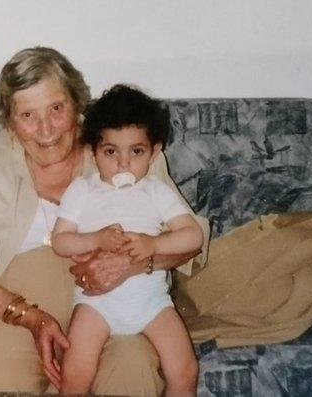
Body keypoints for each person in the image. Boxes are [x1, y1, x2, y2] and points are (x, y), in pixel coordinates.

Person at [0, 47, 210, 395]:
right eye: (28, 115)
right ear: (9, 122)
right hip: (14, 311)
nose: (46, 129)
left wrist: (133, 265)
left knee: (133, 368)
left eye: (56, 108)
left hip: (119, 300)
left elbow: (190, 239)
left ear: (77, 103)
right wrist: (31, 318)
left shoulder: (121, 147)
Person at [51, 85, 201, 396]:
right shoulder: (83, 190)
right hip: (96, 304)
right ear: (94, 153)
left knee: (185, 371)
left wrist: (154, 244)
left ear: (154, 152)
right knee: (76, 373)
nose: (123, 163)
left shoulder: (156, 191)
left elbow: (193, 235)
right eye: (110, 152)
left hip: (152, 303)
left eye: (136, 151)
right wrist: (94, 239)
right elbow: (61, 242)